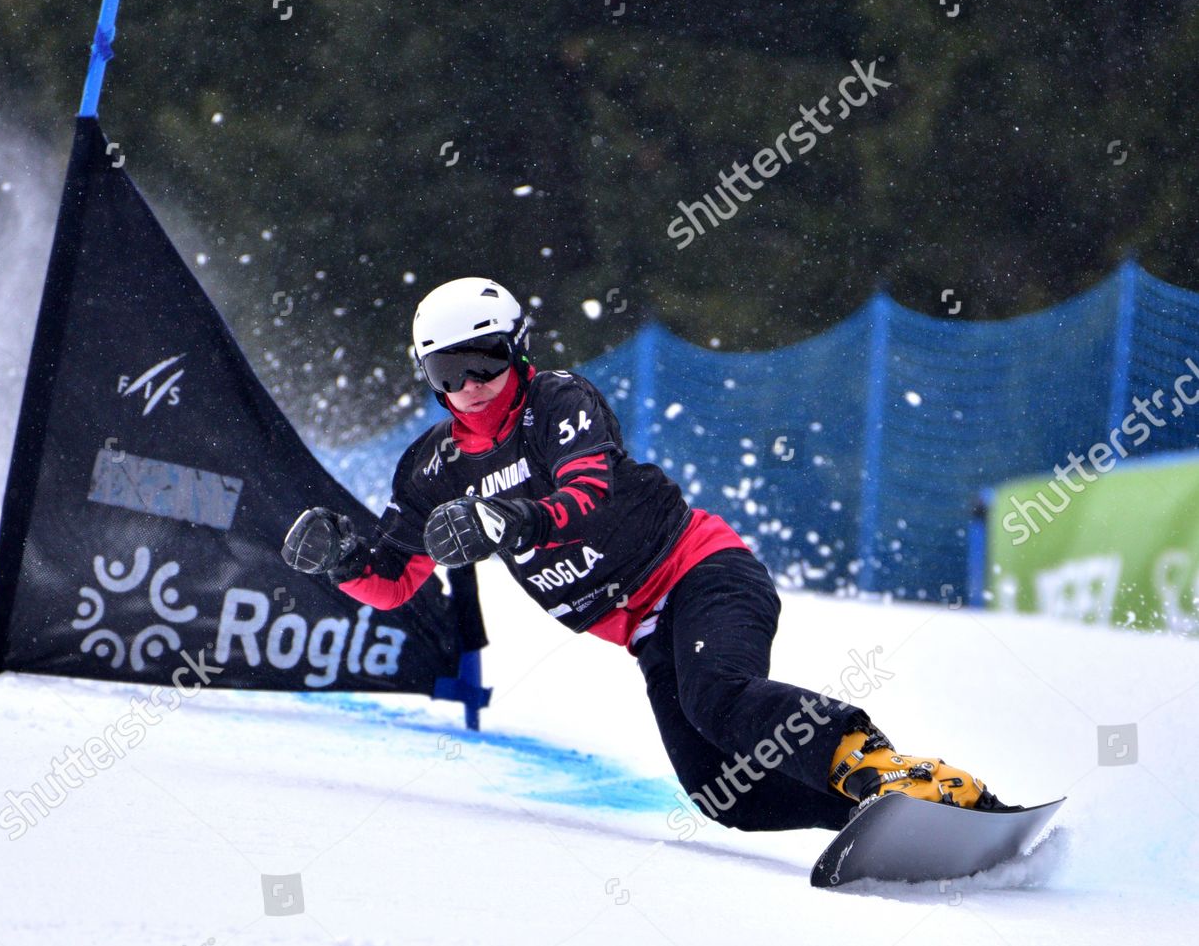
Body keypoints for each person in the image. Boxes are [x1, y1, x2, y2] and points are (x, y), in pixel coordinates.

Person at [281, 276, 1004, 831]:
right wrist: (342, 561)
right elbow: (396, 582)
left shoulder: (559, 402)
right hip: (645, 630)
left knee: (717, 696)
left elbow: (585, 493)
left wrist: (506, 521)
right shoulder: (429, 468)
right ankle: (895, 821)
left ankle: (884, 767)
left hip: (699, 572)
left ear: (519, 350)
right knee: (728, 796)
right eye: (447, 372)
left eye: (485, 361)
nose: (470, 387)